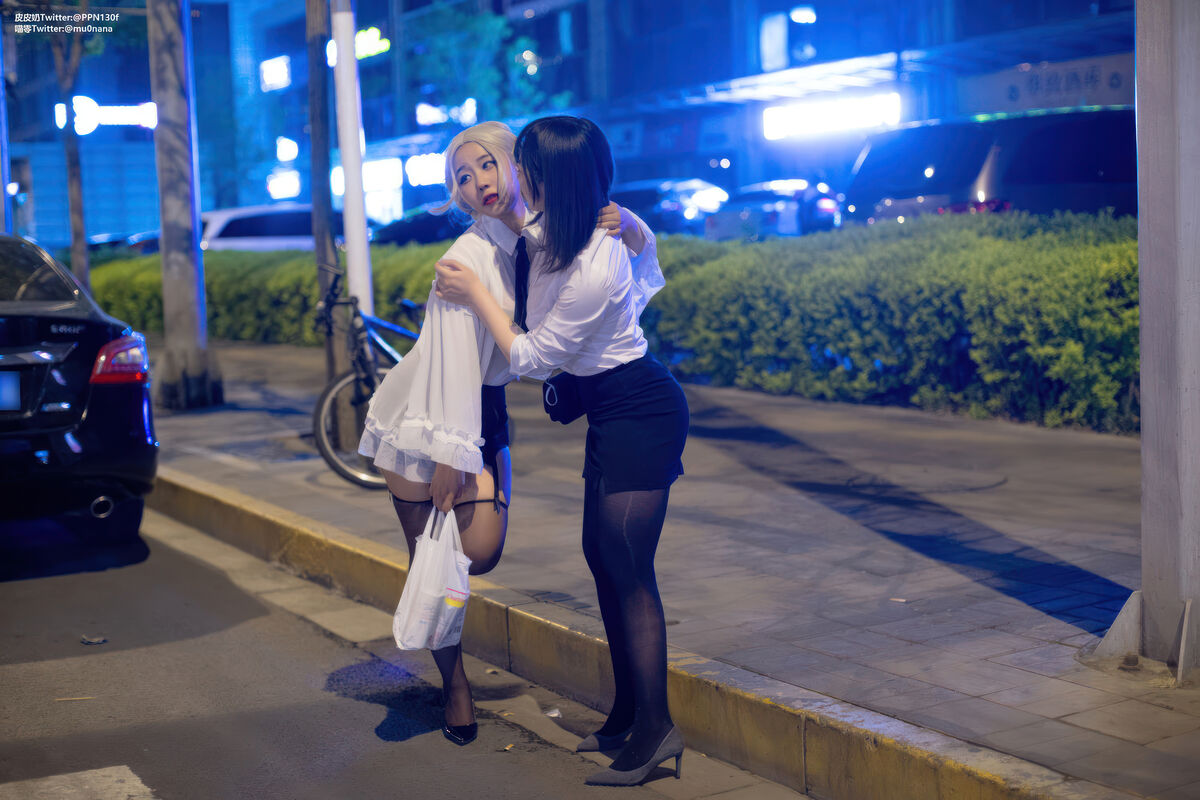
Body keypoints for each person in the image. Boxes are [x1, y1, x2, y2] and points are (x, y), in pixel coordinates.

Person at [359, 120, 647, 748]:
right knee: (433, 562)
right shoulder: (464, 259)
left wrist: (630, 224)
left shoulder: (546, 234)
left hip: (486, 408)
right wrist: (448, 456)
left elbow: (604, 284)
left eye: (486, 164)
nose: (477, 183)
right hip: (427, 413)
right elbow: (452, 363)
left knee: (481, 551)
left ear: (517, 165)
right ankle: (455, 685)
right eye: (462, 177)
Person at [434, 116, 689, 786]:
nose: (515, 174)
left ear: (552, 180)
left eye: (523, 166)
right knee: (602, 560)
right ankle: (627, 716)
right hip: (611, 414)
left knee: (629, 571)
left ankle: (657, 730)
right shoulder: (561, 229)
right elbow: (539, 234)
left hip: (642, 412)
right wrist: (632, 221)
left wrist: (475, 295)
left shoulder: (595, 264)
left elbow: (531, 357)